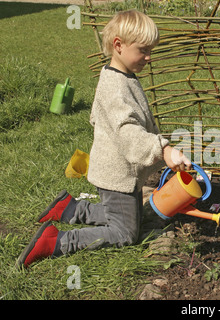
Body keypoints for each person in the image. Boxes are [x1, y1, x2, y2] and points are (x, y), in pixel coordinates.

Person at [16, 10, 191, 268]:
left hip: (120, 171)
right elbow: (128, 133)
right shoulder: (116, 87)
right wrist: (163, 149)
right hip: (116, 177)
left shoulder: (120, 76)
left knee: (129, 216)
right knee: (125, 233)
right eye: (143, 50)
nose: (148, 57)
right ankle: (57, 241)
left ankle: (70, 209)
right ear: (118, 45)